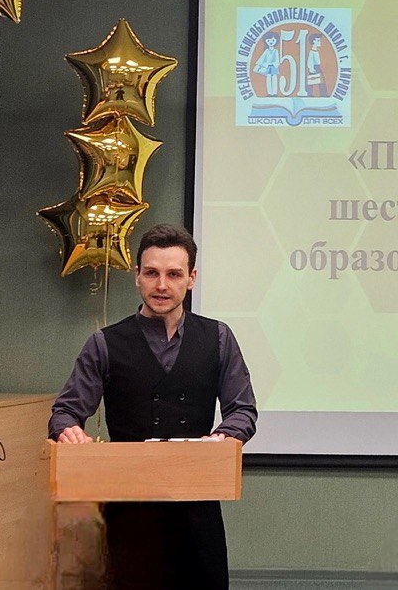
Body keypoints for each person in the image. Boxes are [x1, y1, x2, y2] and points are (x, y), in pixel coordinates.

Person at [49, 224, 257, 590]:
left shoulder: (219, 337)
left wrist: (223, 437)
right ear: (137, 277)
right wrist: (69, 430)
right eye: (152, 273)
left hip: (197, 506)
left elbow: (243, 410)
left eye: (174, 274)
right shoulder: (104, 344)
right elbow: (65, 412)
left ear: (191, 279)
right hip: (128, 511)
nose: (162, 285)